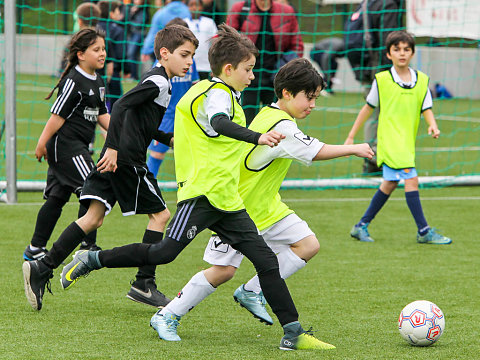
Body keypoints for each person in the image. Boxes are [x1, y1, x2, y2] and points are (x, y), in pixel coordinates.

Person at [59, 25, 336, 351]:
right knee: (165, 253)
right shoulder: (215, 93)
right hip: (203, 194)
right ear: (229, 69)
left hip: (228, 199)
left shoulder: (227, 93)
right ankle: (94, 259)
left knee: (266, 262)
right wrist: (258, 137)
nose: (252, 76)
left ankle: (293, 332)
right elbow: (219, 123)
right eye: (248, 70)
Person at [147, 58, 374, 334]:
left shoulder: (272, 113)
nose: (313, 104)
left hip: (267, 207)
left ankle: (252, 291)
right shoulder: (282, 127)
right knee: (223, 271)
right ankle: (168, 314)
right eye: (309, 97)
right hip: (237, 207)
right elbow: (315, 151)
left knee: (308, 244)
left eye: (315, 98)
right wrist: (355, 148)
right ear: (287, 94)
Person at [22, 24, 199, 311]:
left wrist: (166, 137)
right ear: (164, 54)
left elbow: (140, 122)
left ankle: (42, 267)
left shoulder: (160, 80)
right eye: (184, 54)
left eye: (192, 55)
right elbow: (123, 107)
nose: (189, 61)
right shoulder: (159, 82)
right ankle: (144, 283)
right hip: (126, 160)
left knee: (93, 219)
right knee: (161, 216)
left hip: (116, 157)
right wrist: (115, 147)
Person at [344, 31, 452, 245]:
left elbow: (426, 107)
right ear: (388, 54)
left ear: (412, 53)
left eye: (406, 49)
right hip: (389, 142)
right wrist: (351, 136)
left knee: (390, 183)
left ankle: (361, 225)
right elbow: (367, 109)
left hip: (406, 142)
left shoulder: (422, 80)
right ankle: (423, 231)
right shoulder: (382, 80)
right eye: (397, 49)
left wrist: (433, 125)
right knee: (411, 179)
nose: (402, 53)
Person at [23, 28, 110, 263]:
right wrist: (41, 144)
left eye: (103, 49)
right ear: (81, 54)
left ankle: (35, 247)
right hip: (65, 146)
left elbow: (102, 113)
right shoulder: (73, 80)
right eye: (96, 50)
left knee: (57, 198)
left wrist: (120, 135)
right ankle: (87, 245)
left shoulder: (98, 80)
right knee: (94, 189)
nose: (102, 53)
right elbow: (56, 116)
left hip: (75, 146)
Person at [344, 0, 403, 174]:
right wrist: (392, 72)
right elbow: (389, 40)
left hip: (364, 67)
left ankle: (371, 158)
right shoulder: (388, 4)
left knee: (373, 113)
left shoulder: (366, 3)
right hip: (380, 68)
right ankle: (374, 159)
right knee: (382, 115)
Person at [227, 0, 304, 125]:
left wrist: (287, 69)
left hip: (276, 77)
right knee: (245, 122)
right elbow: (227, 40)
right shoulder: (241, 9)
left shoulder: (286, 12)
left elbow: (296, 45)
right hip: (247, 77)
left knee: (276, 122)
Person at [146, 17, 199, 177]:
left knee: (190, 156)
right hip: (166, 116)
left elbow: (195, 84)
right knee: (156, 155)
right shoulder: (161, 65)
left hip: (186, 115)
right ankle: (144, 184)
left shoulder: (191, 62)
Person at [97, 1, 128, 111]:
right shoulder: (118, 30)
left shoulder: (94, 28)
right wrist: (126, 70)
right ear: (111, 13)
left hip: (95, 73)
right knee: (115, 108)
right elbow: (121, 54)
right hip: (112, 73)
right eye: (117, 10)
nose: (119, 13)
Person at [185, 0, 217, 80]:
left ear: (202, 7)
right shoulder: (184, 22)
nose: (194, 8)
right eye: (191, 5)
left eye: (197, 5)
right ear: (187, 7)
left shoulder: (209, 22)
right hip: (189, 66)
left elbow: (215, 43)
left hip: (206, 66)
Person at [125, 0, 150, 80]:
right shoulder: (131, 8)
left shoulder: (144, 11)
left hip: (139, 34)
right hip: (131, 34)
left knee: (131, 54)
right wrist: (131, 13)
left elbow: (138, 24)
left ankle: (134, 76)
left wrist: (130, 19)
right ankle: (133, 75)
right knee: (131, 55)